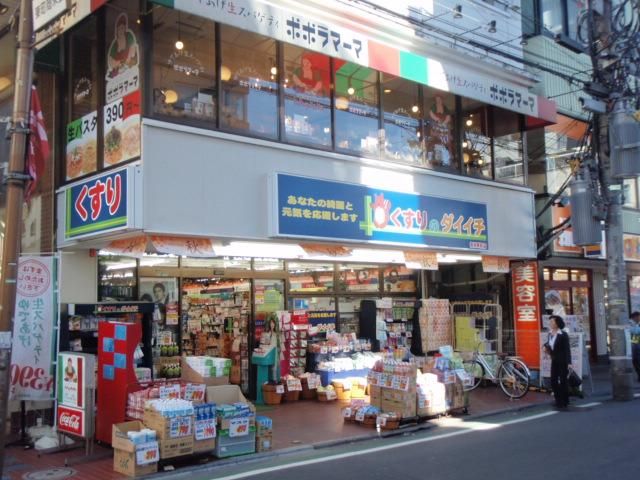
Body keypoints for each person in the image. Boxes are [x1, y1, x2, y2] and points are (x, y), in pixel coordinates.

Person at [544, 315, 572, 409]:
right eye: (550, 322)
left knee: (563, 381)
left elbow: (567, 349)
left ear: (557, 323)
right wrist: (546, 347)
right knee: (553, 380)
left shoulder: (563, 334)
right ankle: (558, 399)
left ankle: (565, 401)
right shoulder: (550, 333)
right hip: (554, 360)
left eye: (552, 321)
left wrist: (569, 363)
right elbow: (550, 344)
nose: (550, 323)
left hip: (563, 360)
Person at [107, 13, 138, 79]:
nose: (121, 31)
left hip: (130, 68)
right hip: (119, 73)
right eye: (119, 29)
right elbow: (110, 59)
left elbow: (133, 49)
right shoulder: (115, 44)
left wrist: (127, 60)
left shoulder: (128, 36)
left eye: (122, 28)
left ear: (125, 28)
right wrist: (117, 63)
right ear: (117, 30)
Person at [629, 311, 640, 382]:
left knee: (637, 361)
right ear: (635, 317)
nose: (639, 319)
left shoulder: (635, 324)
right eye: (638, 317)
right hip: (633, 345)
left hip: (636, 344)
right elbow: (636, 331)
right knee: (636, 361)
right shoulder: (630, 323)